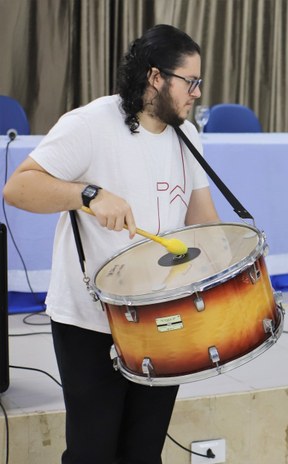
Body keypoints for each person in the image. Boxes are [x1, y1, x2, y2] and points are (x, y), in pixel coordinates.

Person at [3, 24, 219, 463]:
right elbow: (18, 188)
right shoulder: (90, 124)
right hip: (91, 321)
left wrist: (235, 269)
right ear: (156, 77)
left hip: (163, 317)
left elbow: (203, 222)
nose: (197, 93)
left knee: (144, 453)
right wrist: (89, 195)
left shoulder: (187, 135)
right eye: (190, 82)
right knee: (92, 453)